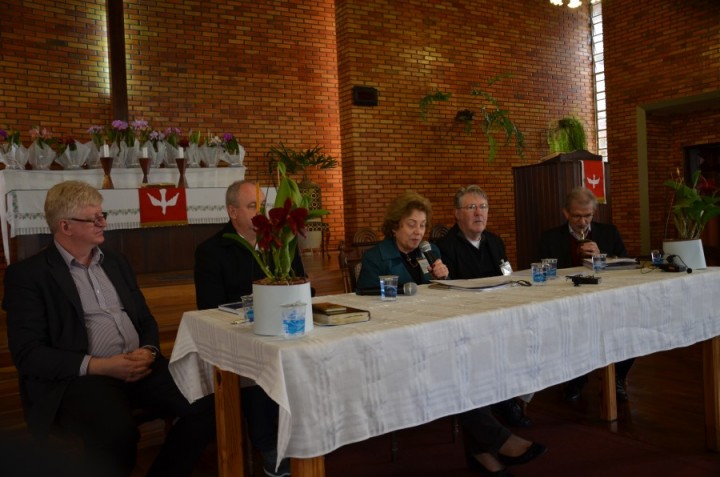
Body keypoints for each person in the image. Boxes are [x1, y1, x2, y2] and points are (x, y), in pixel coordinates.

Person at [2, 181, 216, 477]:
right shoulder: (28, 275)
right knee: (117, 435)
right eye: (94, 218)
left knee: (210, 403)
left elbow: (145, 320)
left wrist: (150, 351)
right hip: (79, 379)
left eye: (102, 215)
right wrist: (100, 366)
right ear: (65, 226)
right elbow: (28, 354)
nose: (104, 223)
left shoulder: (115, 262)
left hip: (140, 366)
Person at [357, 191, 546, 476]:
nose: (417, 231)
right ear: (395, 226)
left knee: (466, 366)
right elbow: (365, 300)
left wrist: (442, 279)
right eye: (410, 224)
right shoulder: (376, 258)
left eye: (422, 225)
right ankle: (497, 442)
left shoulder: (427, 253)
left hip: (432, 335)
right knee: (457, 371)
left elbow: (440, 299)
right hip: (396, 344)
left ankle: (484, 455)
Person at [194, 179, 307, 477]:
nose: (262, 213)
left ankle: (304, 439)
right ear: (233, 212)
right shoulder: (211, 251)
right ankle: (270, 447)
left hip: (284, 334)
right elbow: (209, 308)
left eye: (263, 206)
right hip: (240, 340)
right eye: (253, 206)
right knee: (257, 369)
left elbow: (302, 286)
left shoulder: (282, 241)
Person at [436, 185, 532, 428]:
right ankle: (502, 401)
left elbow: (507, 274)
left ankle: (515, 393)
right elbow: (446, 291)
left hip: (499, 313)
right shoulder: (444, 247)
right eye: (471, 207)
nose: (479, 213)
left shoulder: (495, 242)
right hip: (466, 320)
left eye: (483, 207)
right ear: (457, 214)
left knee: (525, 335)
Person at [538, 186, 633, 402]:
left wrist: (601, 258)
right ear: (565, 213)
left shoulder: (609, 233)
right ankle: (576, 378)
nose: (582, 222)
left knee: (630, 325)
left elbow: (626, 267)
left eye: (588, 216)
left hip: (606, 300)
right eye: (577, 216)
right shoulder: (550, 238)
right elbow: (544, 274)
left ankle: (617, 376)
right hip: (567, 303)